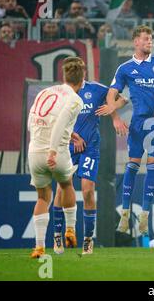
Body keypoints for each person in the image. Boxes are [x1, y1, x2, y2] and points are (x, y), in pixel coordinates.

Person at [51, 78, 128, 256]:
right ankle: (57, 237)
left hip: (90, 148)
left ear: (82, 72)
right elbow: (54, 123)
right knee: (61, 190)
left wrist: (113, 109)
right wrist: (73, 137)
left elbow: (123, 99)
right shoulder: (61, 93)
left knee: (87, 191)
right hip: (67, 147)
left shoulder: (97, 89)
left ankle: (88, 240)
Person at [106, 25, 154, 236]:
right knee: (132, 165)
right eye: (145, 39)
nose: (149, 42)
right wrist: (115, 118)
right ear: (136, 42)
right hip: (137, 123)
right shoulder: (125, 68)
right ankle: (125, 214)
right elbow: (111, 94)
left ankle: (144, 217)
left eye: (151, 39)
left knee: (153, 165)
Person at [28, 57, 85, 259]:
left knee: (43, 197)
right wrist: (52, 151)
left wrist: (41, 145)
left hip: (34, 151)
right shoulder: (76, 100)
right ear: (82, 79)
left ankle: (39, 247)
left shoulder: (45, 92)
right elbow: (60, 122)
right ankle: (70, 229)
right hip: (56, 152)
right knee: (66, 184)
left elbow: (33, 120)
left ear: (64, 76)